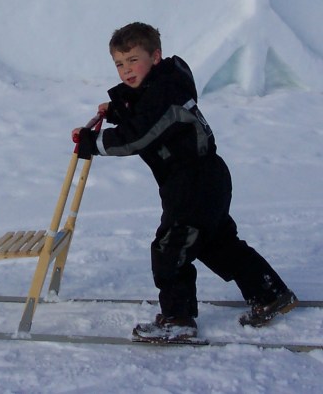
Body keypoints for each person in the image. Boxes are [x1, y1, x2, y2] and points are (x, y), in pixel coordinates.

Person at [72, 22, 298, 342]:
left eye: (133, 60)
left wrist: (92, 143)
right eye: (119, 64)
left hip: (191, 181)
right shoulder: (168, 81)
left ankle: (178, 319)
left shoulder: (165, 95)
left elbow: (140, 135)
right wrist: (119, 107)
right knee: (216, 242)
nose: (126, 70)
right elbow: (145, 106)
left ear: (156, 56)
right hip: (205, 179)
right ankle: (269, 292)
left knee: (171, 247)